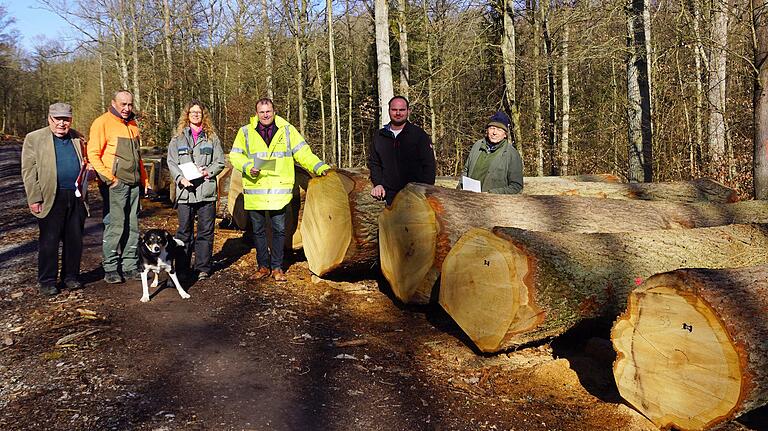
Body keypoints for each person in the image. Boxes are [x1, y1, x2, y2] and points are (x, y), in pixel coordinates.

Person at [229, 98, 330, 282]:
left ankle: (277, 268)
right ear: (256, 113)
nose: (265, 115)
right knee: (258, 231)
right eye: (262, 112)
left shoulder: (287, 131)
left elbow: (303, 153)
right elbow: (235, 155)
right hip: (256, 190)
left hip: (279, 192)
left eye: (268, 111)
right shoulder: (245, 132)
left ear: (274, 112)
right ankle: (262, 267)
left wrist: (320, 167)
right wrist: (247, 166)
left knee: (279, 231)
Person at [21, 102, 89, 296]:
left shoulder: (78, 137)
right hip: (50, 196)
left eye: (65, 119)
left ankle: (71, 276)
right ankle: (48, 280)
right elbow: (28, 171)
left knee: (74, 240)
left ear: (71, 120)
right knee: (49, 241)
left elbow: (85, 163)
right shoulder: (34, 138)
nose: (61, 123)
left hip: (75, 196)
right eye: (57, 119)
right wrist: (34, 198)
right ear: (49, 119)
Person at [88, 90, 149, 284]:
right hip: (116, 184)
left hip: (134, 184)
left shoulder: (132, 124)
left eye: (130, 104)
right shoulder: (102, 122)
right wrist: (110, 179)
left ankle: (129, 265)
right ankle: (111, 267)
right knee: (115, 225)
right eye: (123, 104)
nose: (127, 108)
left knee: (132, 226)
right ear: (114, 103)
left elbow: (138, 157)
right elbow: (93, 154)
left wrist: (144, 179)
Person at [167, 101, 225, 281]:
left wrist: (208, 171)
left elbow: (220, 162)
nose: (195, 115)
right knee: (184, 232)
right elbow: (171, 162)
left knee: (205, 232)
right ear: (187, 115)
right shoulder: (177, 138)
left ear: (203, 115)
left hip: (206, 191)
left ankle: (202, 268)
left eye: (199, 112)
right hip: (185, 193)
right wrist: (180, 179)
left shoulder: (212, 138)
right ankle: (182, 268)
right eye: (192, 112)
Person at [369, 95, 436, 205]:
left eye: (402, 110)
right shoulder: (379, 136)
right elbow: (374, 163)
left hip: (415, 196)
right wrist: (378, 184)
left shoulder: (418, 135)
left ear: (408, 111)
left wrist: (424, 190)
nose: (398, 113)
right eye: (394, 110)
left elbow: (429, 165)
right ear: (389, 111)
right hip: (388, 196)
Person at [458, 111, 523, 194]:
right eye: (492, 128)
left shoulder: (512, 154)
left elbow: (516, 186)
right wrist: (460, 188)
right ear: (487, 130)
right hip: (469, 198)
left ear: (505, 134)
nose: (494, 133)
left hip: (495, 203)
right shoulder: (477, 145)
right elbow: (466, 170)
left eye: (499, 129)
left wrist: (491, 194)